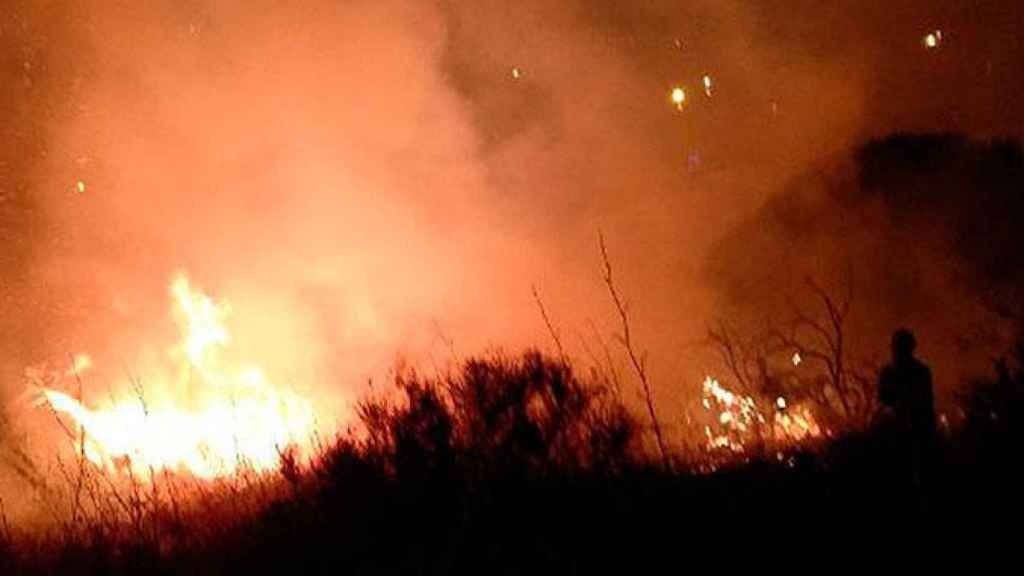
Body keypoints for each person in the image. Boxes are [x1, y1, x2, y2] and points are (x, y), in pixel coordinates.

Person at [877, 328, 936, 497]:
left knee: (914, 477)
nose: (896, 351)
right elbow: (884, 398)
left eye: (899, 347)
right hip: (903, 430)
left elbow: (926, 401)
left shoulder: (917, 372)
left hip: (914, 430)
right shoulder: (919, 371)